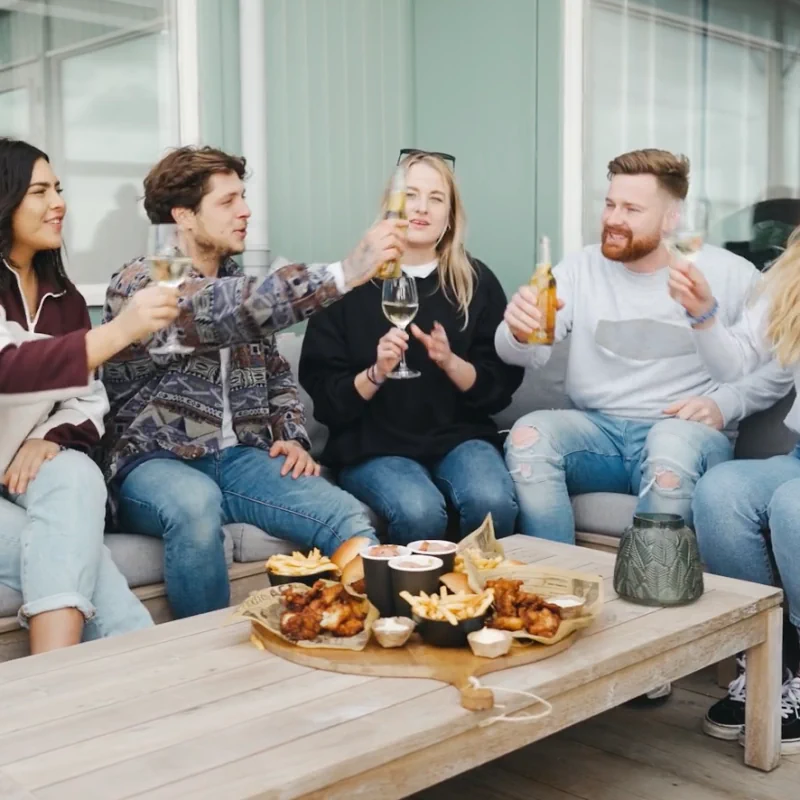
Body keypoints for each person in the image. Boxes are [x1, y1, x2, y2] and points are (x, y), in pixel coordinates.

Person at [101, 146, 404, 619]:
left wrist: (292, 438)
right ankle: (208, 663)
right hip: (152, 462)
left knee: (349, 516)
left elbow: (277, 375)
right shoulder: (140, 283)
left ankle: (353, 632)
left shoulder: (239, 280)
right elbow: (220, 308)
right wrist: (345, 273)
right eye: (227, 202)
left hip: (240, 458)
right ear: (183, 215)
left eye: (243, 197)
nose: (245, 211)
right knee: (195, 504)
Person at [495, 149, 792, 546]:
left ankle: (652, 588)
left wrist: (728, 403)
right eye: (610, 204)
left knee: (669, 444)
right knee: (528, 436)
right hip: (597, 433)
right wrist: (516, 331)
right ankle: (555, 585)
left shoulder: (728, 273)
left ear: (671, 218)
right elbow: (526, 355)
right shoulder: (579, 269)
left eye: (632, 209)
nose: (614, 219)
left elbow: (783, 360)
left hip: (684, 436)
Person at [0, 138, 177, 652]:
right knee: (75, 554)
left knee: (75, 474)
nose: (59, 202)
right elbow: (9, 367)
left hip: (22, 471)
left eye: (58, 188)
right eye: (40, 191)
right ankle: (142, 670)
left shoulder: (66, 298)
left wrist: (50, 436)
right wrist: (121, 330)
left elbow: (87, 396)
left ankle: (55, 677)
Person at [299, 151, 523, 544]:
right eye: (411, 195)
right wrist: (376, 372)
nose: (421, 208)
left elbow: (499, 387)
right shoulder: (347, 284)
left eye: (436, 198)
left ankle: (480, 599)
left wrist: (452, 362)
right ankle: (414, 604)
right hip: (373, 447)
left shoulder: (476, 281)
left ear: (450, 216)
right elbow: (327, 400)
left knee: (493, 501)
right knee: (418, 512)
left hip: (459, 438)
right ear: (390, 206)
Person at [669, 229, 800, 752]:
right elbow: (744, 366)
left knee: (793, 504)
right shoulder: (792, 276)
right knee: (720, 489)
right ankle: (769, 665)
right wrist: (703, 315)